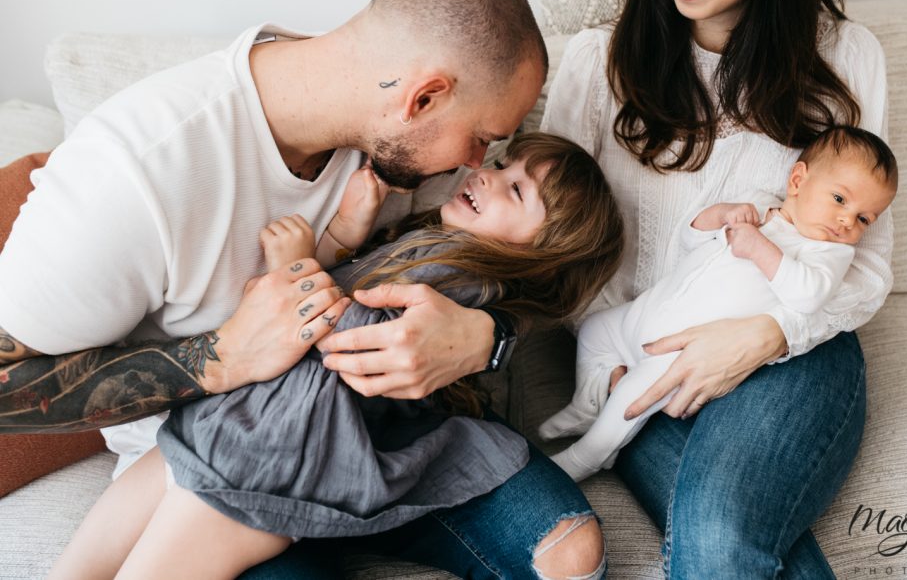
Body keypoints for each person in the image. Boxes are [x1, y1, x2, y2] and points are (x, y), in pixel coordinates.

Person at [0, 0, 608, 579]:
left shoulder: (414, 159)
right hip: (240, 455)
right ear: (423, 98)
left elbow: (524, 268)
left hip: (387, 440)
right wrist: (219, 355)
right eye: (482, 138)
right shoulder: (132, 176)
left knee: (567, 545)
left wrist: (485, 339)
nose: (477, 164)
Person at [48, 132, 625, 580]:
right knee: (77, 567)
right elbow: (349, 288)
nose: (490, 178)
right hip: (225, 427)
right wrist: (346, 234)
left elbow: (354, 341)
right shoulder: (435, 239)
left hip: (272, 462)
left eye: (518, 191)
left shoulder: (469, 280)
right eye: (503, 165)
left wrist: (295, 269)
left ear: (543, 253)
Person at [540, 0, 892, 575]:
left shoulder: (847, 58)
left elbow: (868, 264)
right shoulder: (595, 66)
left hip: (796, 349)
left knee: (723, 530)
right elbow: (551, 244)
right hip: (649, 357)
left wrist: (765, 335)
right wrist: (605, 353)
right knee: (722, 542)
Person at [541, 127, 897, 481]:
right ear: (798, 181)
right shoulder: (755, 204)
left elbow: (809, 295)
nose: (847, 221)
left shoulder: (827, 253)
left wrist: (760, 248)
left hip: (686, 349)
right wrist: (722, 214)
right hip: (645, 312)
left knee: (635, 394)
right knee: (594, 329)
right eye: (839, 199)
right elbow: (690, 237)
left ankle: (588, 456)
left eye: (864, 219)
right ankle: (586, 403)